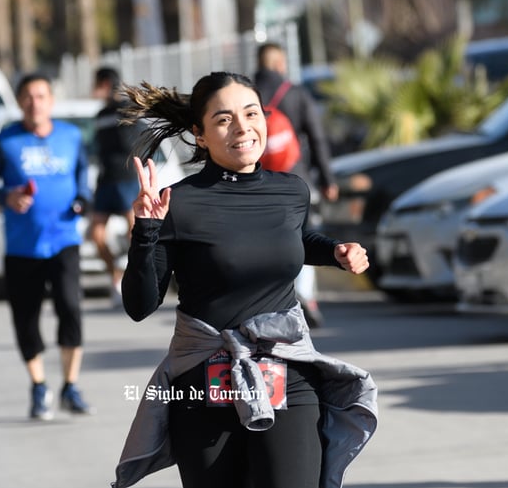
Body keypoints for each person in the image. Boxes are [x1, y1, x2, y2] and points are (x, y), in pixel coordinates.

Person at [112, 72, 377, 488]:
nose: (242, 127)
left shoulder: (292, 191)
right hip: (201, 382)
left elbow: (294, 239)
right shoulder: (177, 204)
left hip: (287, 369)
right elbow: (140, 305)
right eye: (223, 119)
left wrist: (335, 251)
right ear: (199, 135)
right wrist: (146, 230)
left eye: (251, 113)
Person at [0, 73, 95, 421]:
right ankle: (39, 385)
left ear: (51, 101)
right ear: (19, 101)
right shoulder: (6, 140)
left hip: (65, 240)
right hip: (22, 245)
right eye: (27, 96)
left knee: (70, 308)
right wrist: (6, 196)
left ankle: (71, 385)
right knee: (26, 318)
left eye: (41, 96)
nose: (34, 102)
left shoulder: (71, 136)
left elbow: (83, 176)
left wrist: (82, 201)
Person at [254, 42, 338, 328]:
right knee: (303, 233)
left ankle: (268, 299)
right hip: (295, 177)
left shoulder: (245, 95)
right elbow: (317, 138)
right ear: (280, 64)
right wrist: (327, 179)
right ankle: (305, 297)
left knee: (262, 237)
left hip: (256, 178)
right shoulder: (296, 94)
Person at [89, 66, 139, 306]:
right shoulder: (100, 115)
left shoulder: (128, 109)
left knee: (134, 232)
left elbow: (133, 144)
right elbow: (99, 148)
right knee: (96, 235)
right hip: (105, 180)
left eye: (98, 83)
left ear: (107, 83)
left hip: (126, 179)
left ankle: (134, 278)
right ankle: (115, 277)